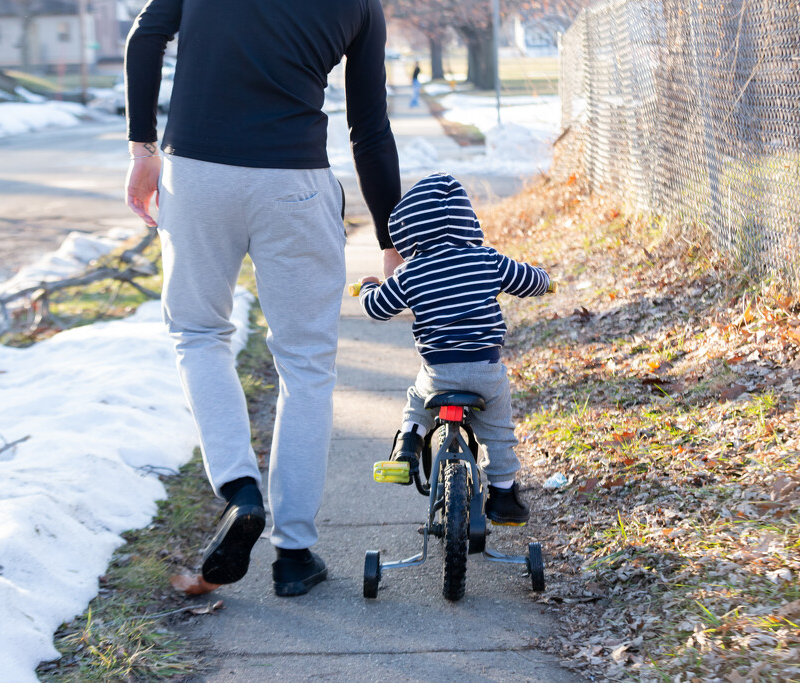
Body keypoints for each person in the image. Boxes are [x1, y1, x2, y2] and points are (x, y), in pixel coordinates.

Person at [123, 0, 402, 597]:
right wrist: (390, 236)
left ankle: (240, 491)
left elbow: (145, 39)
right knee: (305, 364)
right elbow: (369, 127)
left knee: (198, 333)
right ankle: (295, 555)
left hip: (196, 174)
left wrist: (142, 148)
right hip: (295, 183)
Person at [357, 173, 550, 525]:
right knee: (497, 429)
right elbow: (529, 281)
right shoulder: (488, 260)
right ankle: (504, 496)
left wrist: (370, 287)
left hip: (439, 373)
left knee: (418, 399)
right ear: (466, 220)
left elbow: (378, 308)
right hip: (485, 372)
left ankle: (406, 450)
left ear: (410, 230)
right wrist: (545, 280)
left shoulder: (410, 272)